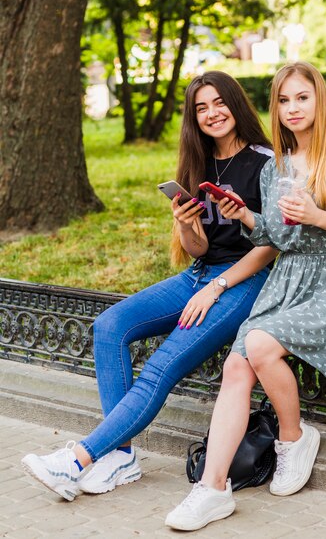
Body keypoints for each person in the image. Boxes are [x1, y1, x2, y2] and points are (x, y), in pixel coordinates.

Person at [21, 71, 277, 501]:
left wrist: (216, 289)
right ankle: (120, 456)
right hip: (199, 275)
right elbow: (199, 249)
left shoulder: (265, 161)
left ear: (236, 104)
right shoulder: (197, 163)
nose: (212, 113)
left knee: (160, 365)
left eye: (219, 103)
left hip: (243, 281)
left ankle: (79, 460)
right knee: (110, 326)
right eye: (201, 108)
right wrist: (186, 227)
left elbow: (270, 244)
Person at [166, 61, 326, 531]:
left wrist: (317, 215)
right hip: (288, 280)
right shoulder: (275, 168)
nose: (293, 108)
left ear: (319, 101)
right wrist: (243, 217)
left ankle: (293, 437)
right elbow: (275, 237)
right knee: (237, 363)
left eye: (302, 97)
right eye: (284, 100)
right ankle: (213, 488)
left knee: (258, 344)